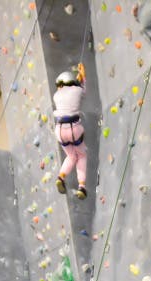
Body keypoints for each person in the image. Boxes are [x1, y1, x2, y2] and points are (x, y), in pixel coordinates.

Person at [53, 64, 88, 200]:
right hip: (74, 128)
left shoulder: (56, 95)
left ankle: (61, 177)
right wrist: (83, 75)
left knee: (71, 156)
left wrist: (77, 80)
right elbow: (82, 90)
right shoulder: (77, 90)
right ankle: (82, 187)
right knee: (81, 155)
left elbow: (68, 90)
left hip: (60, 130)